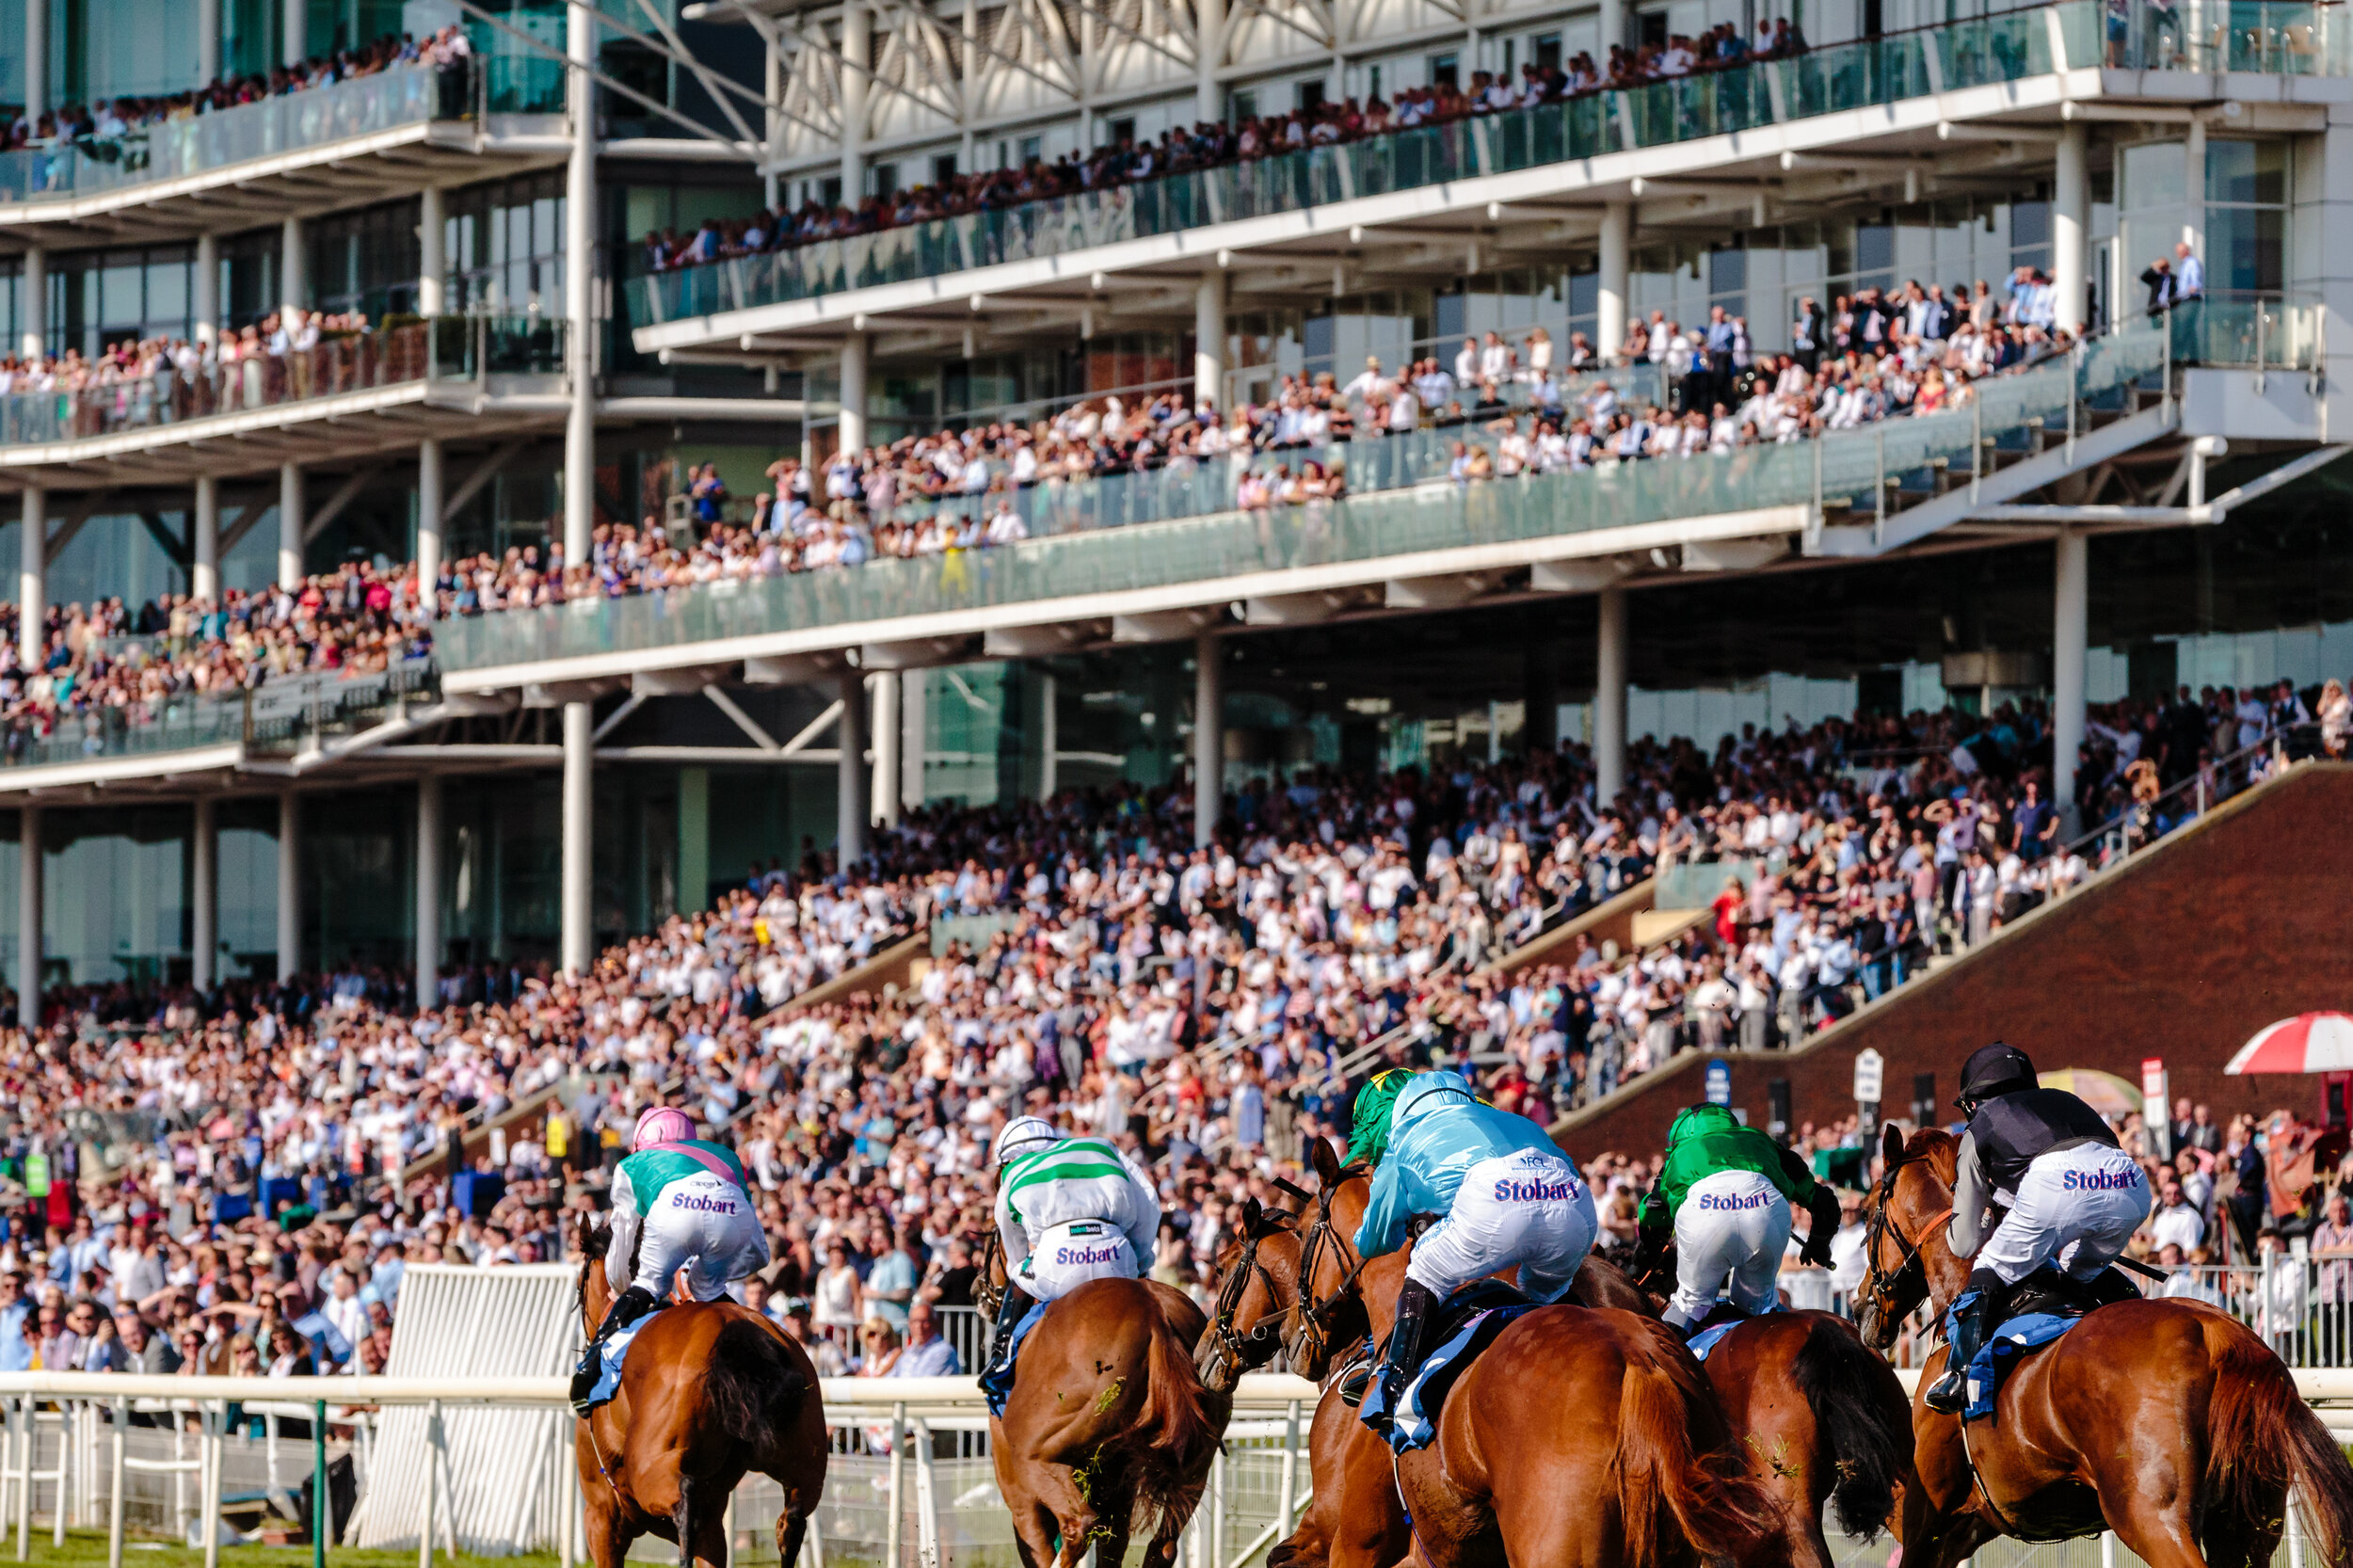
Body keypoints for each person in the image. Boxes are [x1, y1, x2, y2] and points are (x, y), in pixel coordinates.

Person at [1349, 1068, 1597, 1418]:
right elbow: (1568, 1168)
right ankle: (1595, 1334)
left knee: (1425, 1269)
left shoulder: (1402, 1135)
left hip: (1493, 1204)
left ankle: (1397, 1386)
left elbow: (1375, 1241)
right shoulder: (1511, 1119)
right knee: (1544, 1295)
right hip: (1574, 1205)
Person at [1922, 1041, 2152, 1415]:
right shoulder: (2065, 1100)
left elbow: (1963, 1244)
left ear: (1974, 1101)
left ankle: (1960, 1376)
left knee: (1988, 1269)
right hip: (2130, 1186)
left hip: (2057, 1185)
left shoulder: (1980, 1124)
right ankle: (2139, 1332)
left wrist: (1981, 1225)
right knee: (2080, 1276)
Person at [568, 1105, 772, 1413]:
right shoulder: (725, 1154)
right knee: (707, 1288)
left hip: (676, 1214)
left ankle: (587, 1373)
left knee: (647, 1285)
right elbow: (758, 1253)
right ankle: (767, 1362)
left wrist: (627, 1287)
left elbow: (623, 1235)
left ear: (641, 1142)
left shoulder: (632, 1163)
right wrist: (714, 1276)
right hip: (732, 1218)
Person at [980, 1116, 1161, 1391]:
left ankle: (1001, 1355)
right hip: (1118, 1256)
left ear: (1006, 1159)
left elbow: (1013, 1250)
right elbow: (1148, 1202)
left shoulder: (1012, 1172)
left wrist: (1021, 1268)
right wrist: (1140, 1261)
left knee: (1017, 1275)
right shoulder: (1100, 1147)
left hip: (1059, 1263)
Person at [1636, 1102, 1838, 1334]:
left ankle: (1662, 1365)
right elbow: (1823, 1200)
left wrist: (1648, 1256)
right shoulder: (1760, 1139)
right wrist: (1819, 1243)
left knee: (1691, 1304)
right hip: (1767, 1212)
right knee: (1757, 1305)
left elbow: (1651, 1213)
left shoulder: (1679, 1153)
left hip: (1705, 1217)